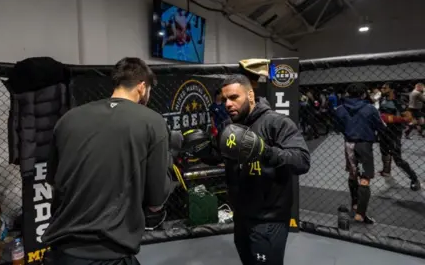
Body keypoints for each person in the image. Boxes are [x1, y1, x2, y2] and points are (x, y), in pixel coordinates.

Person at [42, 57, 173, 265]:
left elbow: (54, 182)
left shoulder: (68, 119)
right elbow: (156, 202)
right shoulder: (152, 121)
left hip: (61, 250)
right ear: (142, 87)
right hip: (108, 252)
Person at [184, 74, 310, 265]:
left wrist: (264, 151)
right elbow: (220, 156)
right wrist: (202, 151)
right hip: (242, 216)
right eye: (224, 99)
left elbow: (302, 160)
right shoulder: (229, 125)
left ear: (250, 95)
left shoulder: (276, 123)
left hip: (269, 219)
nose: (227, 104)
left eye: (234, 98)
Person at [335, 83, 385, 225]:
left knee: (352, 174)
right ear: (363, 94)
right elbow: (380, 126)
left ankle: (355, 205)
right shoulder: (370, 109)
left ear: (347, 93)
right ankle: (360, 215)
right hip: (363, 145)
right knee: (365, 178)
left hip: (349, 144)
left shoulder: (340, 109)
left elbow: (338, 127)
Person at [378, 83, 421, 191]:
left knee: (398, 159)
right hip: (383, 131)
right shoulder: (382, 99)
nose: (381, 89)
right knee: (384, 153)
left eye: (384, 87)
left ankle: (414, 179)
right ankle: (386, 171)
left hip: (394, 133)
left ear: (391, 89)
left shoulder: (399, 101)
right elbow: (381, 114)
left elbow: (409, 118)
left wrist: (390, 118)